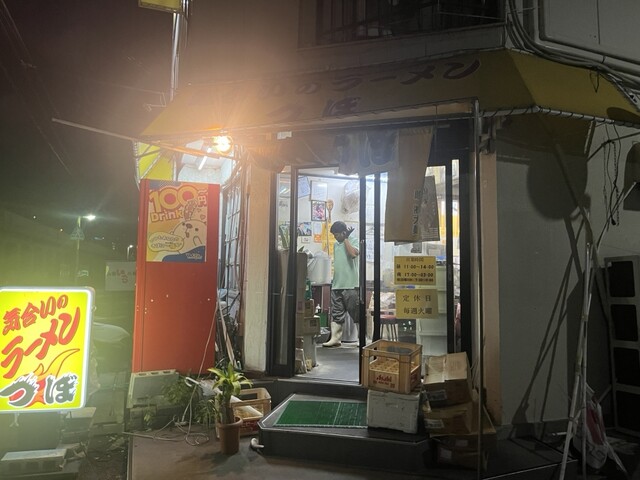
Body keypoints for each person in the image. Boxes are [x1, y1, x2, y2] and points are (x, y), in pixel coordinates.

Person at [323, 221, 359, 347]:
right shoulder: (336, 244)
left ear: (344, 233)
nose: (335, 237)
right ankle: (335, 339)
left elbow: (353, 254)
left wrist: (346, 239)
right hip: (337, 284)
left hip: (351, 285)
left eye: (337, 235)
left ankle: (361, 339)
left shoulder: (354, 240)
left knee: (356, 313)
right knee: (336, 313)